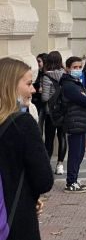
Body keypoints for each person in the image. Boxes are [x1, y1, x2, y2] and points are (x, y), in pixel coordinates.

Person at [0, 57, 54, 240]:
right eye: (29, 83)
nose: (33, 90)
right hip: (15, 218)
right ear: (11, 85)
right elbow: (44, 180)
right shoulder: (22, 124)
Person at [61, 56, 86, 193]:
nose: (78, 70)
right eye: (75, 67)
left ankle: (74, 179)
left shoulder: (76, 83)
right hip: (74, 121)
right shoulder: (69, 85)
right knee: (75, 153)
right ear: (68, 68)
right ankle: (71, 182)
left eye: (80, 67)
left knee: (80, 152)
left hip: (80, 121)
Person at [40, 51, 67, 175]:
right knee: (62, 137)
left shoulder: (46, 76)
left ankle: (47, 165)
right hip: (63, 110)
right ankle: (60, 165)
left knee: (49, 139)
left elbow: (45, 97)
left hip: (50, 112)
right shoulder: (65, 74)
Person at [33, 53, 48, 132]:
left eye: (39, 61)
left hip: (43, 104)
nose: (37, 64)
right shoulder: (36, 73)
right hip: (37, 103)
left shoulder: (46, 74)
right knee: (38, 125)